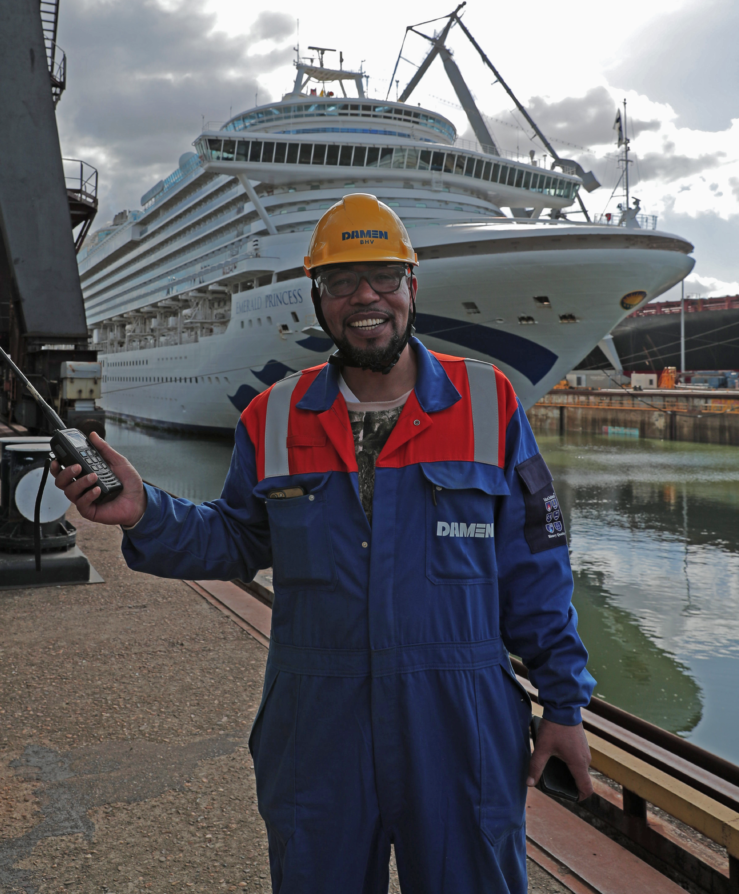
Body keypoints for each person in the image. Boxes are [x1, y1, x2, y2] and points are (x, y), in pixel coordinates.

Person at [53, 193, 595, 894]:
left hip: (459, 717)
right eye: (342, 282)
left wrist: (563, 705)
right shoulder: (271, 415)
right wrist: (144, 512)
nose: (365, 297)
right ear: (316, 298)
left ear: (412, 288)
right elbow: (238, 538)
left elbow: (537, 569)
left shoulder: (489, 403)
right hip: (317, 719)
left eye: (383, 278)